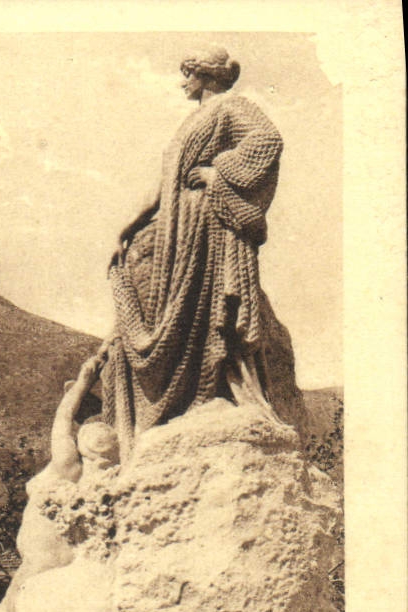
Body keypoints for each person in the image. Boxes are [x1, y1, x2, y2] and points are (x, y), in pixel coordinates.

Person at [103, 47, 303, 457]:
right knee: (171, 304)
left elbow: (268, 141)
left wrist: (220, 171)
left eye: (187, 74)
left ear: (206, 76)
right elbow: (166, 183)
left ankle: (211, 388)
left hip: (208, 222)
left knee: (206, 305)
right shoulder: (191, 121)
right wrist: (130, 223)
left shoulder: (233, 108)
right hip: (179, 224)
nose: (182, 82)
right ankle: (183, 395)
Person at [0, 351, 117, 612]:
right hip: (53, 557)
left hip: (43, 558)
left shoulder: (67, 465)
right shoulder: (95, 475)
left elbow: (61, 420)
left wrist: (83, 381)